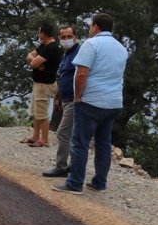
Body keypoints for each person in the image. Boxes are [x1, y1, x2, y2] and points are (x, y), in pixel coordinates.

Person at [53, 13, 128, 194]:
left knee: (80, 143)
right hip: (114, 102)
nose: (89, 29)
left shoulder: (91, 44)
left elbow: (81, 74)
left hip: (91, 101)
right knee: (103, 143)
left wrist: (77, 97)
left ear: (95, 26)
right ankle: (99, 182)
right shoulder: (121, 48)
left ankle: (74, 183)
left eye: (90, 26)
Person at [42, 25, 80, 177]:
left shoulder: (79, 53)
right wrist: (57, 97)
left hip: (74, 99)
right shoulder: (66, 54)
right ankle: (71, 165)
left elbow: (82, 76)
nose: (66, 40)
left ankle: (61, 166)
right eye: (63, 37)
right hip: (65, 98)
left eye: (69, 36)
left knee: (63, 133)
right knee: (70, 133)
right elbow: (63, 77)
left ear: (75, 37)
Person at [22, 23, 63, 147]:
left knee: (42, 113)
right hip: (38, 83)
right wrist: (33, 60)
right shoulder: (44, 46)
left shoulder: (52, 48)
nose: (38, 34)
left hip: (45, 85)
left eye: (39, 32)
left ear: (43, 34)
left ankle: (44, 139)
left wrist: (34, 62)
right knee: (36, 111)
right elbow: (30, 56)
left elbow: (33, 64)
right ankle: (35, 136)